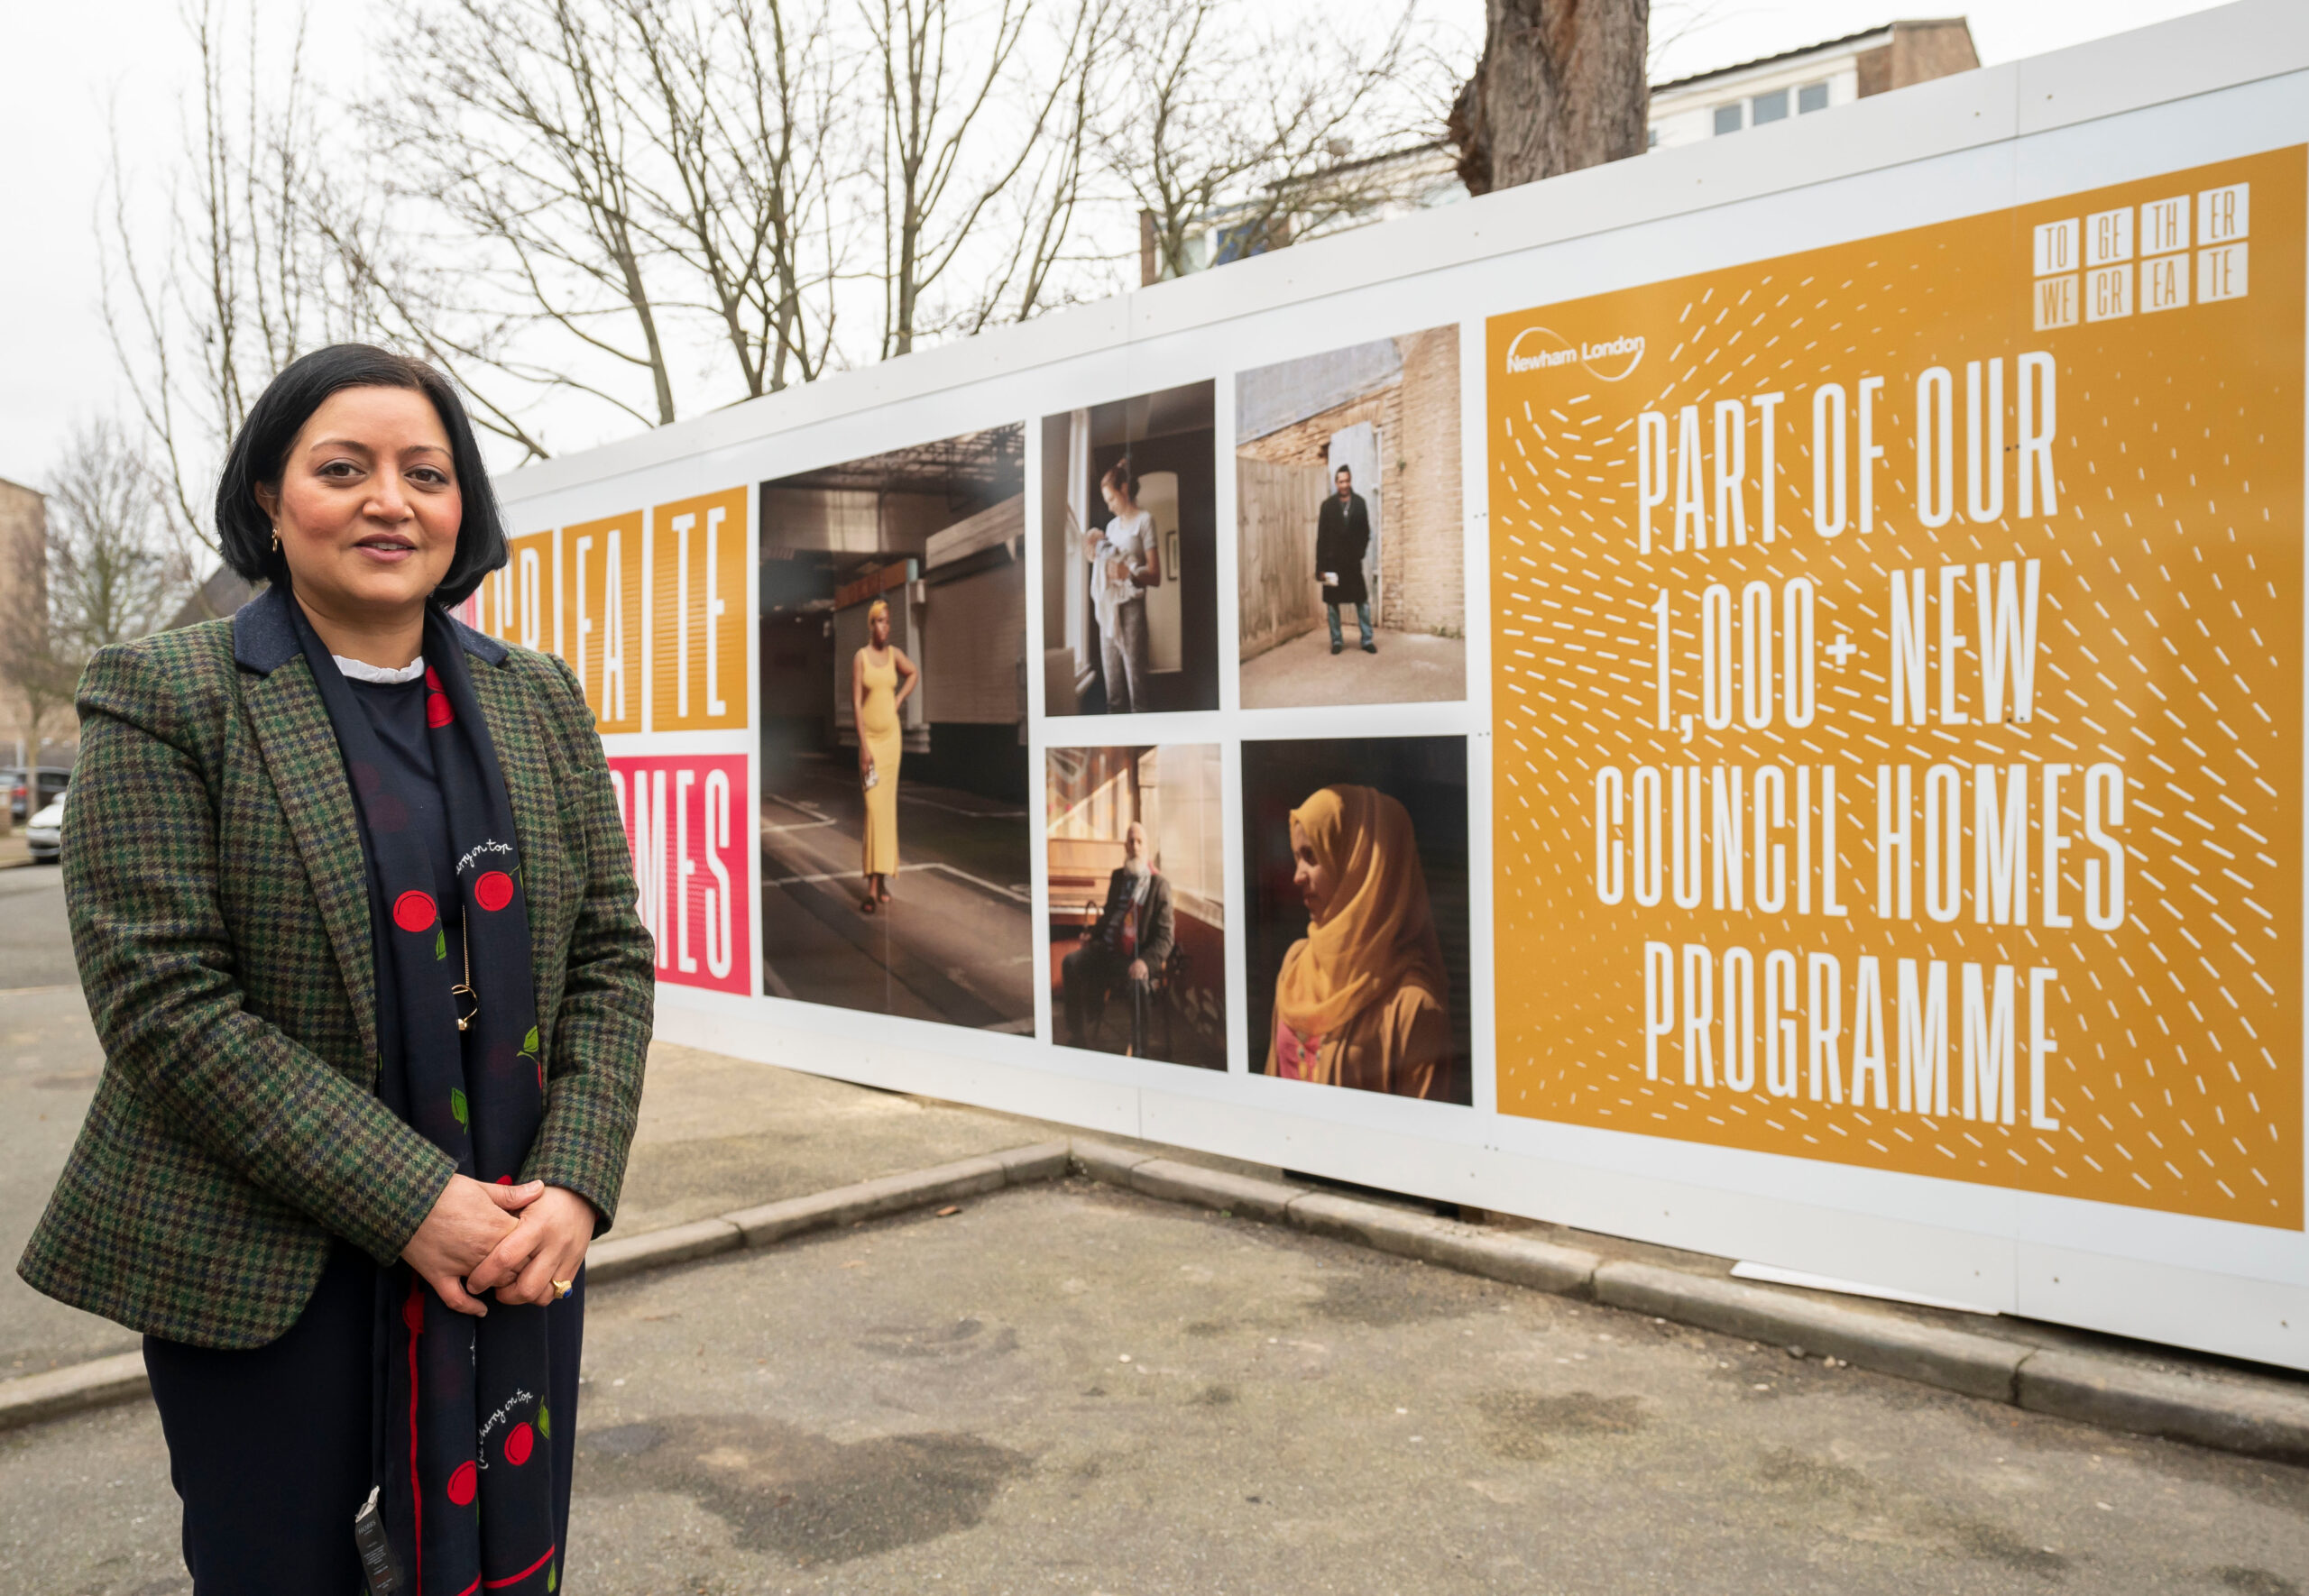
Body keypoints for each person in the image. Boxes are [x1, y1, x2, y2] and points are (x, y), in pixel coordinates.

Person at [16, 344, 655, 1594]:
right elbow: (167, 1007)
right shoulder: (164, 695)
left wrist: (574, 1180)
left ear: (462, 504)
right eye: (342, 467)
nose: (390, 500)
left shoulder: (539, 701)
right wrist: (419, 1198)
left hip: (511, 1249)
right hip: (267, 1267)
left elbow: (611, 955)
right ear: (269, 494)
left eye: (427, 472)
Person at [1264, 784, 1451, 1097]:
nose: (1298, 876)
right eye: (1297, 857)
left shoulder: (1413, 1007)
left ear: (1360, 866)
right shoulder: (1297, 963)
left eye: (1312, 857)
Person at [1061, 820, 1174, 1057]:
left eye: (1140, 841)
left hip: (1136, 956)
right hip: (1107, 951)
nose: (1135, 846)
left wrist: (1145, 961)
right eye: (1131, 841)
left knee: (1138, 985)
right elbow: (1108, 917)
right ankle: (1077, 1035)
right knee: (1070, 963)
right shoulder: (1118, 877)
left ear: (1146, 847)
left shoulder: (1158, 885)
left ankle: (1140, 1051)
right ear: (1125, 846)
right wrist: (1090, 934)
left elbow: (1166, 937)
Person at [851, 596, 919, 913]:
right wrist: (864, 747)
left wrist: (899, 700)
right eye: (879, 620)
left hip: (892, 741)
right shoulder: (861, 658)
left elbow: (914, 674)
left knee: (886, 811)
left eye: (888, 621)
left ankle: (881, 882)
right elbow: (855, 704)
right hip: (872, 743)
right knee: (873, 810)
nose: (884, 626)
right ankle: (871, 886)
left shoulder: (895, 655)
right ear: (871, 624)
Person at [1086, 458, 1161, 712]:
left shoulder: (1145, 521)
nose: (1109, 507)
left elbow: (1155, 575)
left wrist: (1127, 573)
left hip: (1132, 610)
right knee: (1113, 690)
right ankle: (1118, 749)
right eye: (1106, 502)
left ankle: (1142, 746)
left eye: (1112, 500)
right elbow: (1105, 557)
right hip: (1110, 609)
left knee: (1137, 687)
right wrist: (1095, 554)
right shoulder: (1110, 526)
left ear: (1125, 489)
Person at [1314, 463, 1375, 656]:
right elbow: (1321, 538)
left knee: (1362, 602)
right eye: (1340, 481)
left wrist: (1360, 552)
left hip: (1352, 563)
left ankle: (1366, 640)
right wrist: (1320, 567)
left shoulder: (1360, 503)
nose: (1344, 485)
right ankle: (1337, 641)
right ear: (1336, 482)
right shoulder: (1327, 506)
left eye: (1347, 480)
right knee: (1332, 605)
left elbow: (1366, 532)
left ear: (1350, 481)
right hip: (1332, 563)